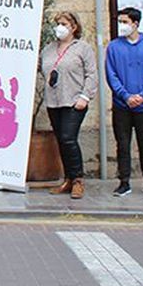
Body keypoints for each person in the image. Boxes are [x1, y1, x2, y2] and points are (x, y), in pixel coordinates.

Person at [105, 7, 143, 198]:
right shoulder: (114, 47)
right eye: (120, 22)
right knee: (123, 145)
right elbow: (111, 75)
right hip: (122, 105)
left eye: (125, 22)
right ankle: (124, 182)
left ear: (135, 24)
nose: (121, 25)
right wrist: (125, 96)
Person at [40, 11, 97, 199]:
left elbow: (92, 74)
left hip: (74, 101)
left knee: (68, 138)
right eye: (58, 24)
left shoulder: (82, 48)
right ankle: (68, 179)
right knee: (61, 139)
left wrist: (85, 96)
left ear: (73, 27)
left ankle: (78, 180)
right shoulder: (48, 49)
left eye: (64, 24)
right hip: (54, 101)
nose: (60, 27)